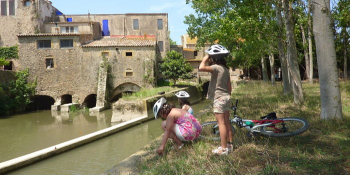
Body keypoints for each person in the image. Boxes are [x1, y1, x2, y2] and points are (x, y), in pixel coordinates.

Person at [198, 44, 233, 155]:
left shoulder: (216, 67)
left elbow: (201, 68)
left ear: (213, 58)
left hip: (219, 98)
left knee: (221, 123)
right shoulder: (226, 69)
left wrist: (205, 58)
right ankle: (229, 145)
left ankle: (223, 149)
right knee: (226, 122)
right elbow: (229, 86)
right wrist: (227, 96)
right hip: (226, 96)